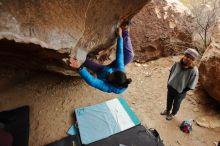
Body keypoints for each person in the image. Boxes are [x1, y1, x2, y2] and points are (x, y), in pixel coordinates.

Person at [70, 21, 134, 94]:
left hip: (101, 71)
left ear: (111, 82)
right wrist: (120, 37)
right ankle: (125, 31)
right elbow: (120, 54)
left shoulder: (107, 87)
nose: (111, 73)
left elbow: (92, 81)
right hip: (112, 67)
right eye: (113, 72)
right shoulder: (120, 70)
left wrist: (80, 68)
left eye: (111, 75)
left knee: (81, 57)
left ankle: (75, 50)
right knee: (129, 55)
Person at [161, 48, 199, 120]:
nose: (186, 58)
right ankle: (167, 110)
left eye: (189, 57)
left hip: (180, 91)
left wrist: (182, 91)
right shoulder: (177, 63)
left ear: (192, 60)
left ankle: (173, 114)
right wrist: (168, 83)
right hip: (171, 86)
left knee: (176, 104)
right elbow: (171, 72)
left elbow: (191, 85)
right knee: (169, 100)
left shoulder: (194, 71)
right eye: (185, 55)